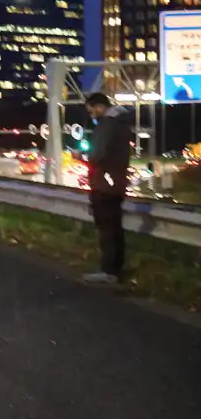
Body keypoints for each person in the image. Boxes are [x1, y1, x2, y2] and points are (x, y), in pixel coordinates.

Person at [83, 92, 134, 284]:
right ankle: (116, 269)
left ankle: (108, 271)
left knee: (106, 228)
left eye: (91, 111)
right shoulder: (121, 123)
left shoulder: (107, 125)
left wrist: (83, 156)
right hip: (116, 183)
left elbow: (98, 154)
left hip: (105, 184)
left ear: (99, 107)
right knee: (115, 227)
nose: (92, 116)